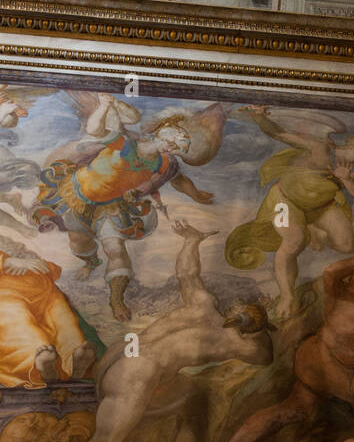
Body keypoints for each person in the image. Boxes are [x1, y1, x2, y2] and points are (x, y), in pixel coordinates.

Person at [25, 219, 274, 442]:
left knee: (194, 404)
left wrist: (192, 240)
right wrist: (261, 328)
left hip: (119, 358)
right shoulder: (240, 341)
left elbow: (186, 272)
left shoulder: (203, 303)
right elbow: (265, 357)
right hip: (138, 374)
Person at [207, 243, 354, 442]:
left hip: (343, 370)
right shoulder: (339, 293)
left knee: (294, 411)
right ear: (349, 278)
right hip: (323, 360)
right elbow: (331, 272)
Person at [30, 92, 215, 322]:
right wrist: (104, 106)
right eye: (177, 136)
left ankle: (116, 299)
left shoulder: (164, 163)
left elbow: (179, 180)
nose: (176, 144)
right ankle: (90, 262)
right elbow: (95, 130)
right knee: (79, 242)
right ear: (163, 128)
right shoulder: (123, 141)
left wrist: (196, 195)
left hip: (111, 208)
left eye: (182, 145)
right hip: (76, 195)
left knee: (115, 249)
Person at [225, 106, 354, 320]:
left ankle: (313, 227)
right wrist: (258, 117)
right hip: (285, 201)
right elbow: (279, 133)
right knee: (294, 240)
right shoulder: (319, 147)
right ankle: (287, 296)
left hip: (322, 206)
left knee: (346, 245)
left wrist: (347, 180)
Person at [0, 233, 97, 389]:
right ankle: (40, 364)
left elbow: (45, 266)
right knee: (17, 322)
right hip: (5, 294)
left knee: (63, 321)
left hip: (43, 289)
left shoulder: (7, 241)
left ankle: (72, 363)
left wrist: (37, 264)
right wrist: (6, 262)